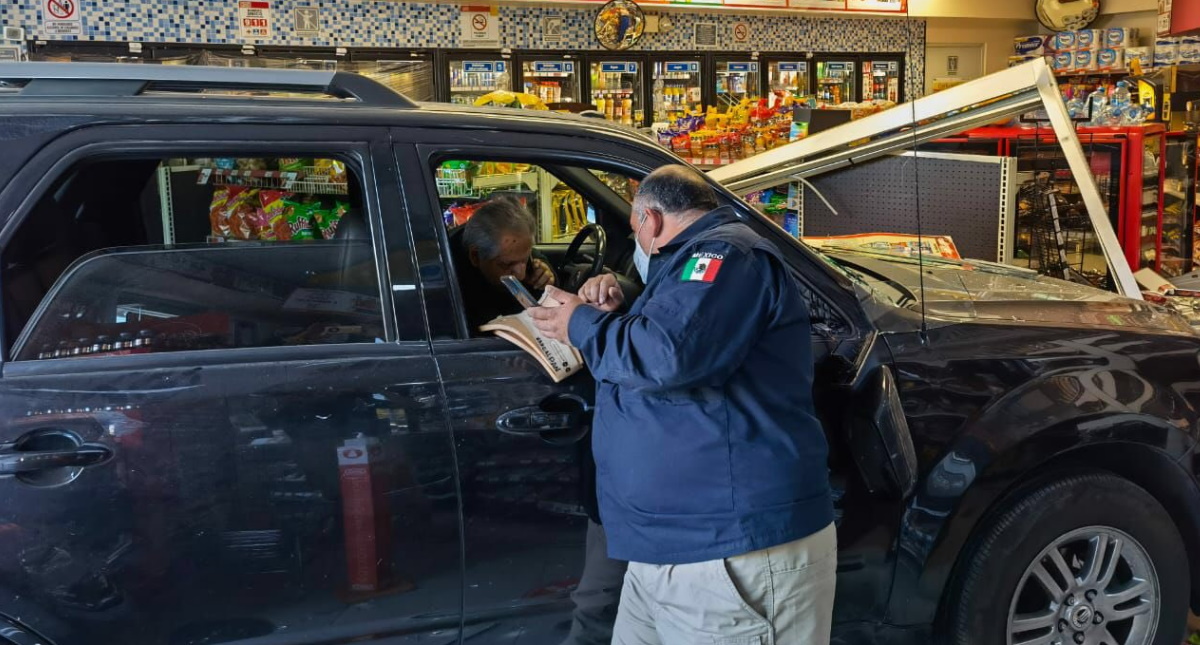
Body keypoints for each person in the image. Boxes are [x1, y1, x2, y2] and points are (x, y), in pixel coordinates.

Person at [530, 165, 836, 645]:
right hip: (670, 547)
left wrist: (582, 326)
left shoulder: (727, 255)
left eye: (633, 230)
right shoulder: (690, 260)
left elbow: (671, 355)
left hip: (729, 550)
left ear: (648, 220)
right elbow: (680, 327)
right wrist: (623, 302)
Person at [449, 197, 556, 331]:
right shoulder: (451, 280)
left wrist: (546, 276)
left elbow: (538, 266)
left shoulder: (512, 247)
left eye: (525, 259)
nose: (521, 275)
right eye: (507, 264)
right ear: (475, 256)